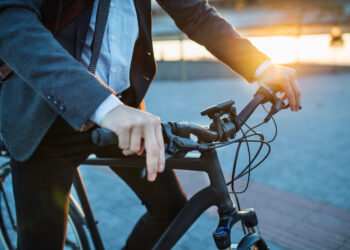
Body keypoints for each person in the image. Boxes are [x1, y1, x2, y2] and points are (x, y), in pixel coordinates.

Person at [0, 0, 301, 249]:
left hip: (125, 114)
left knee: (171, 210)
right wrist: (102, 106)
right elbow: (11, 21)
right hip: (45, 116)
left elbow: (194, 13)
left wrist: (261, 65)